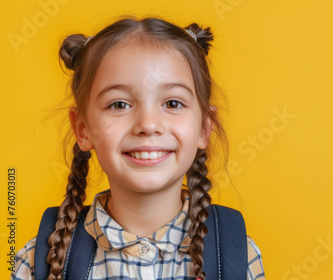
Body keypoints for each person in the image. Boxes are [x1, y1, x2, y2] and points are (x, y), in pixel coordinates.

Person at [10, 16, 265, 280]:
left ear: (204, 128)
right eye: (119, 104)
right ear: (83, 130)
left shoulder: (238, 256)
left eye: (173, 103)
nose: (148, 124)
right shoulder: (37, 261)